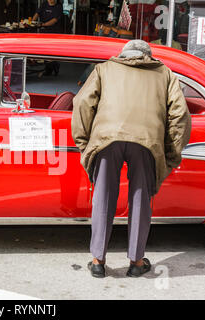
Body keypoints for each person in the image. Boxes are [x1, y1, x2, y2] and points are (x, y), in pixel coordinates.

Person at [71, 40, 192, 278]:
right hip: (147, 142)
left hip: (107, 139)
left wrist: (85, 144)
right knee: (140, 198)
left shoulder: (104, 69)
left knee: (103, 196)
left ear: (123, 54)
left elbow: (82, 104)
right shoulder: (164, 74)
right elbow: (180, 115)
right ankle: (136, 262)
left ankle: (98, 260)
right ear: (148, 55)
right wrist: (171, 155)